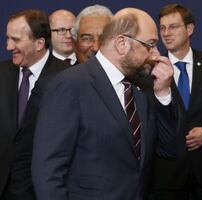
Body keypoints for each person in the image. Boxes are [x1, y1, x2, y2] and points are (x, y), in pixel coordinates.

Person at [31, 7, 180, 200]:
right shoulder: (69, 85)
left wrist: (163, 94)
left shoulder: (143, 87)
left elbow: (169, 151)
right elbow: (48, 172)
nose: (155, 54)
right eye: (150, 44)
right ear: (122, 43)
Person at [148, 4, 202, 200]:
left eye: (173, 27)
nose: (166, 33)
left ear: (190, 29)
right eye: (162, 28)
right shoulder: (149, 69)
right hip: (166, 175)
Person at [0, 9, 70, 200]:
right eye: (7, 38)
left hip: (42, 190)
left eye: (15, 40)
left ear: (39, 43)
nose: (8, 46)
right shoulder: (2, 73)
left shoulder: (67, 78)